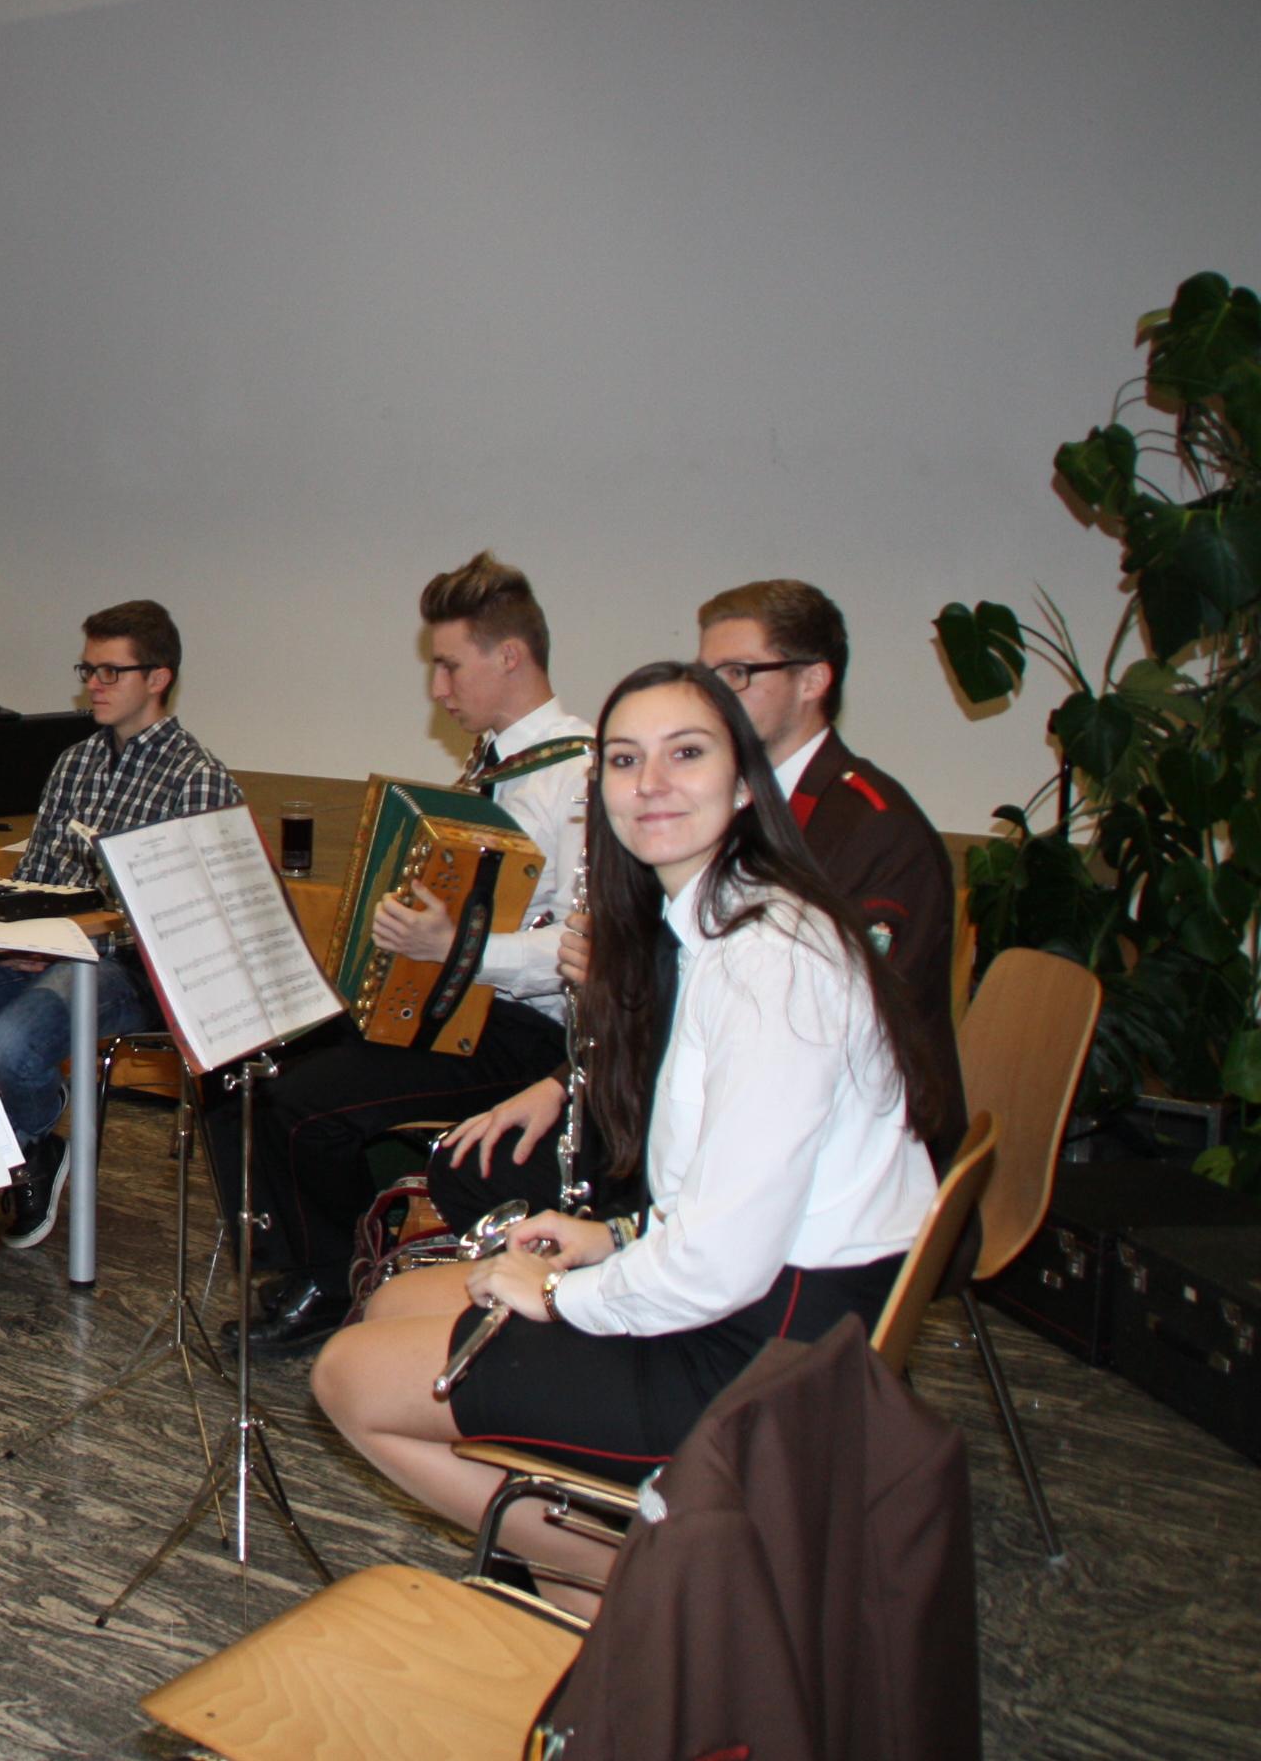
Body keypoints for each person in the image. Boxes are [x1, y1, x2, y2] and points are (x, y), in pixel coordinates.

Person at [310, 661, 951, 1608]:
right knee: (394, 1308)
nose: (650, 783)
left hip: (766, 1353)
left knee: (349, 1381)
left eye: (685, 754)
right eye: (623, 760)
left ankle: (639, 1594)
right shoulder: (725, 921)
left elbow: (724, 1262)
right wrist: (610, 1237)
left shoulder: (768, 965)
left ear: (744, 783)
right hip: (767, 1298)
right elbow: (730, 1190)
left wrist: (563, 1293)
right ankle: (584, 1560)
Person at [430, 580, 959, 1229]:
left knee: (492, 1178)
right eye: (707, 675)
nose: (711, 696)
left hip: (822, 1151)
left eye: (737, 674)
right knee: (472, 1164)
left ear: (813, 681)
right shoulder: (713, 808)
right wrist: (567, 1080)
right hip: (701, 1096)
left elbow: (824, 1040)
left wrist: (625, 987)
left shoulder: (874, 829)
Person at [232, 553, 594, 1350]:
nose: (437, 688)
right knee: (253, 1058)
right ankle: (301, 1248)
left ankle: (333, 1284)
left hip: (527, 1034)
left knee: (302, 1103)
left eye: (450, 665)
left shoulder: (580, 777)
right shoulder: (494, 764)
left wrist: (456, 948)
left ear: (510, 656)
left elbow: (582, 948)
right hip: (457, 1010)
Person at [0, 599, 242, 1252]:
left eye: (111, 671)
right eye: (88, 669)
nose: (94, 683)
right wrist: (23, 936)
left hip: (131, 968)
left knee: (11, 1045)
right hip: (49, 946)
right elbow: (32, 875)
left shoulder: (197, 780)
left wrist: (73, 939)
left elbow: (191, 930)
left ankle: (31, 1142)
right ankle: (14, 1138)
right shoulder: (75, 762)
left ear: (158, 678)